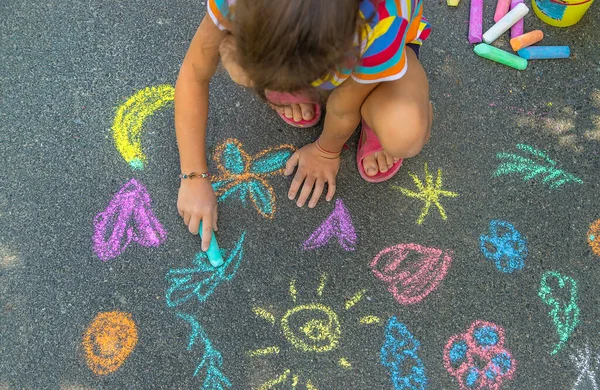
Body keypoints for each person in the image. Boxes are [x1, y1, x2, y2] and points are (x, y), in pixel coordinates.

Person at [175, 0, 432, 250]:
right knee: (239, 67)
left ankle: (378, 104)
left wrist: (326, 151)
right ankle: (289, 83)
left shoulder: (382, 22)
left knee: (404, 132)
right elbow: (194, 74)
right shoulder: (235, 4)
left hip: (381, 50)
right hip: (330, 48)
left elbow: (344, 105)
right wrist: (193, 176)